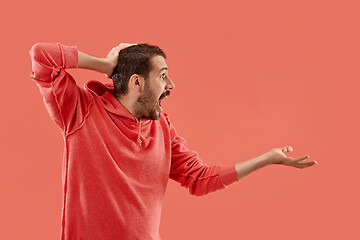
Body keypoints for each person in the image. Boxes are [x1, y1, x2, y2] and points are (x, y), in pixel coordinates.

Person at [28, 42, 318, 240]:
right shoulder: (82, 111)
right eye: (163, 76)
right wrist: (104, 64)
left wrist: (266, 159)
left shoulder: (162, 128)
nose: (171, 86)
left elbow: (200, 178)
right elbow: (42, 56)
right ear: (137, 82)